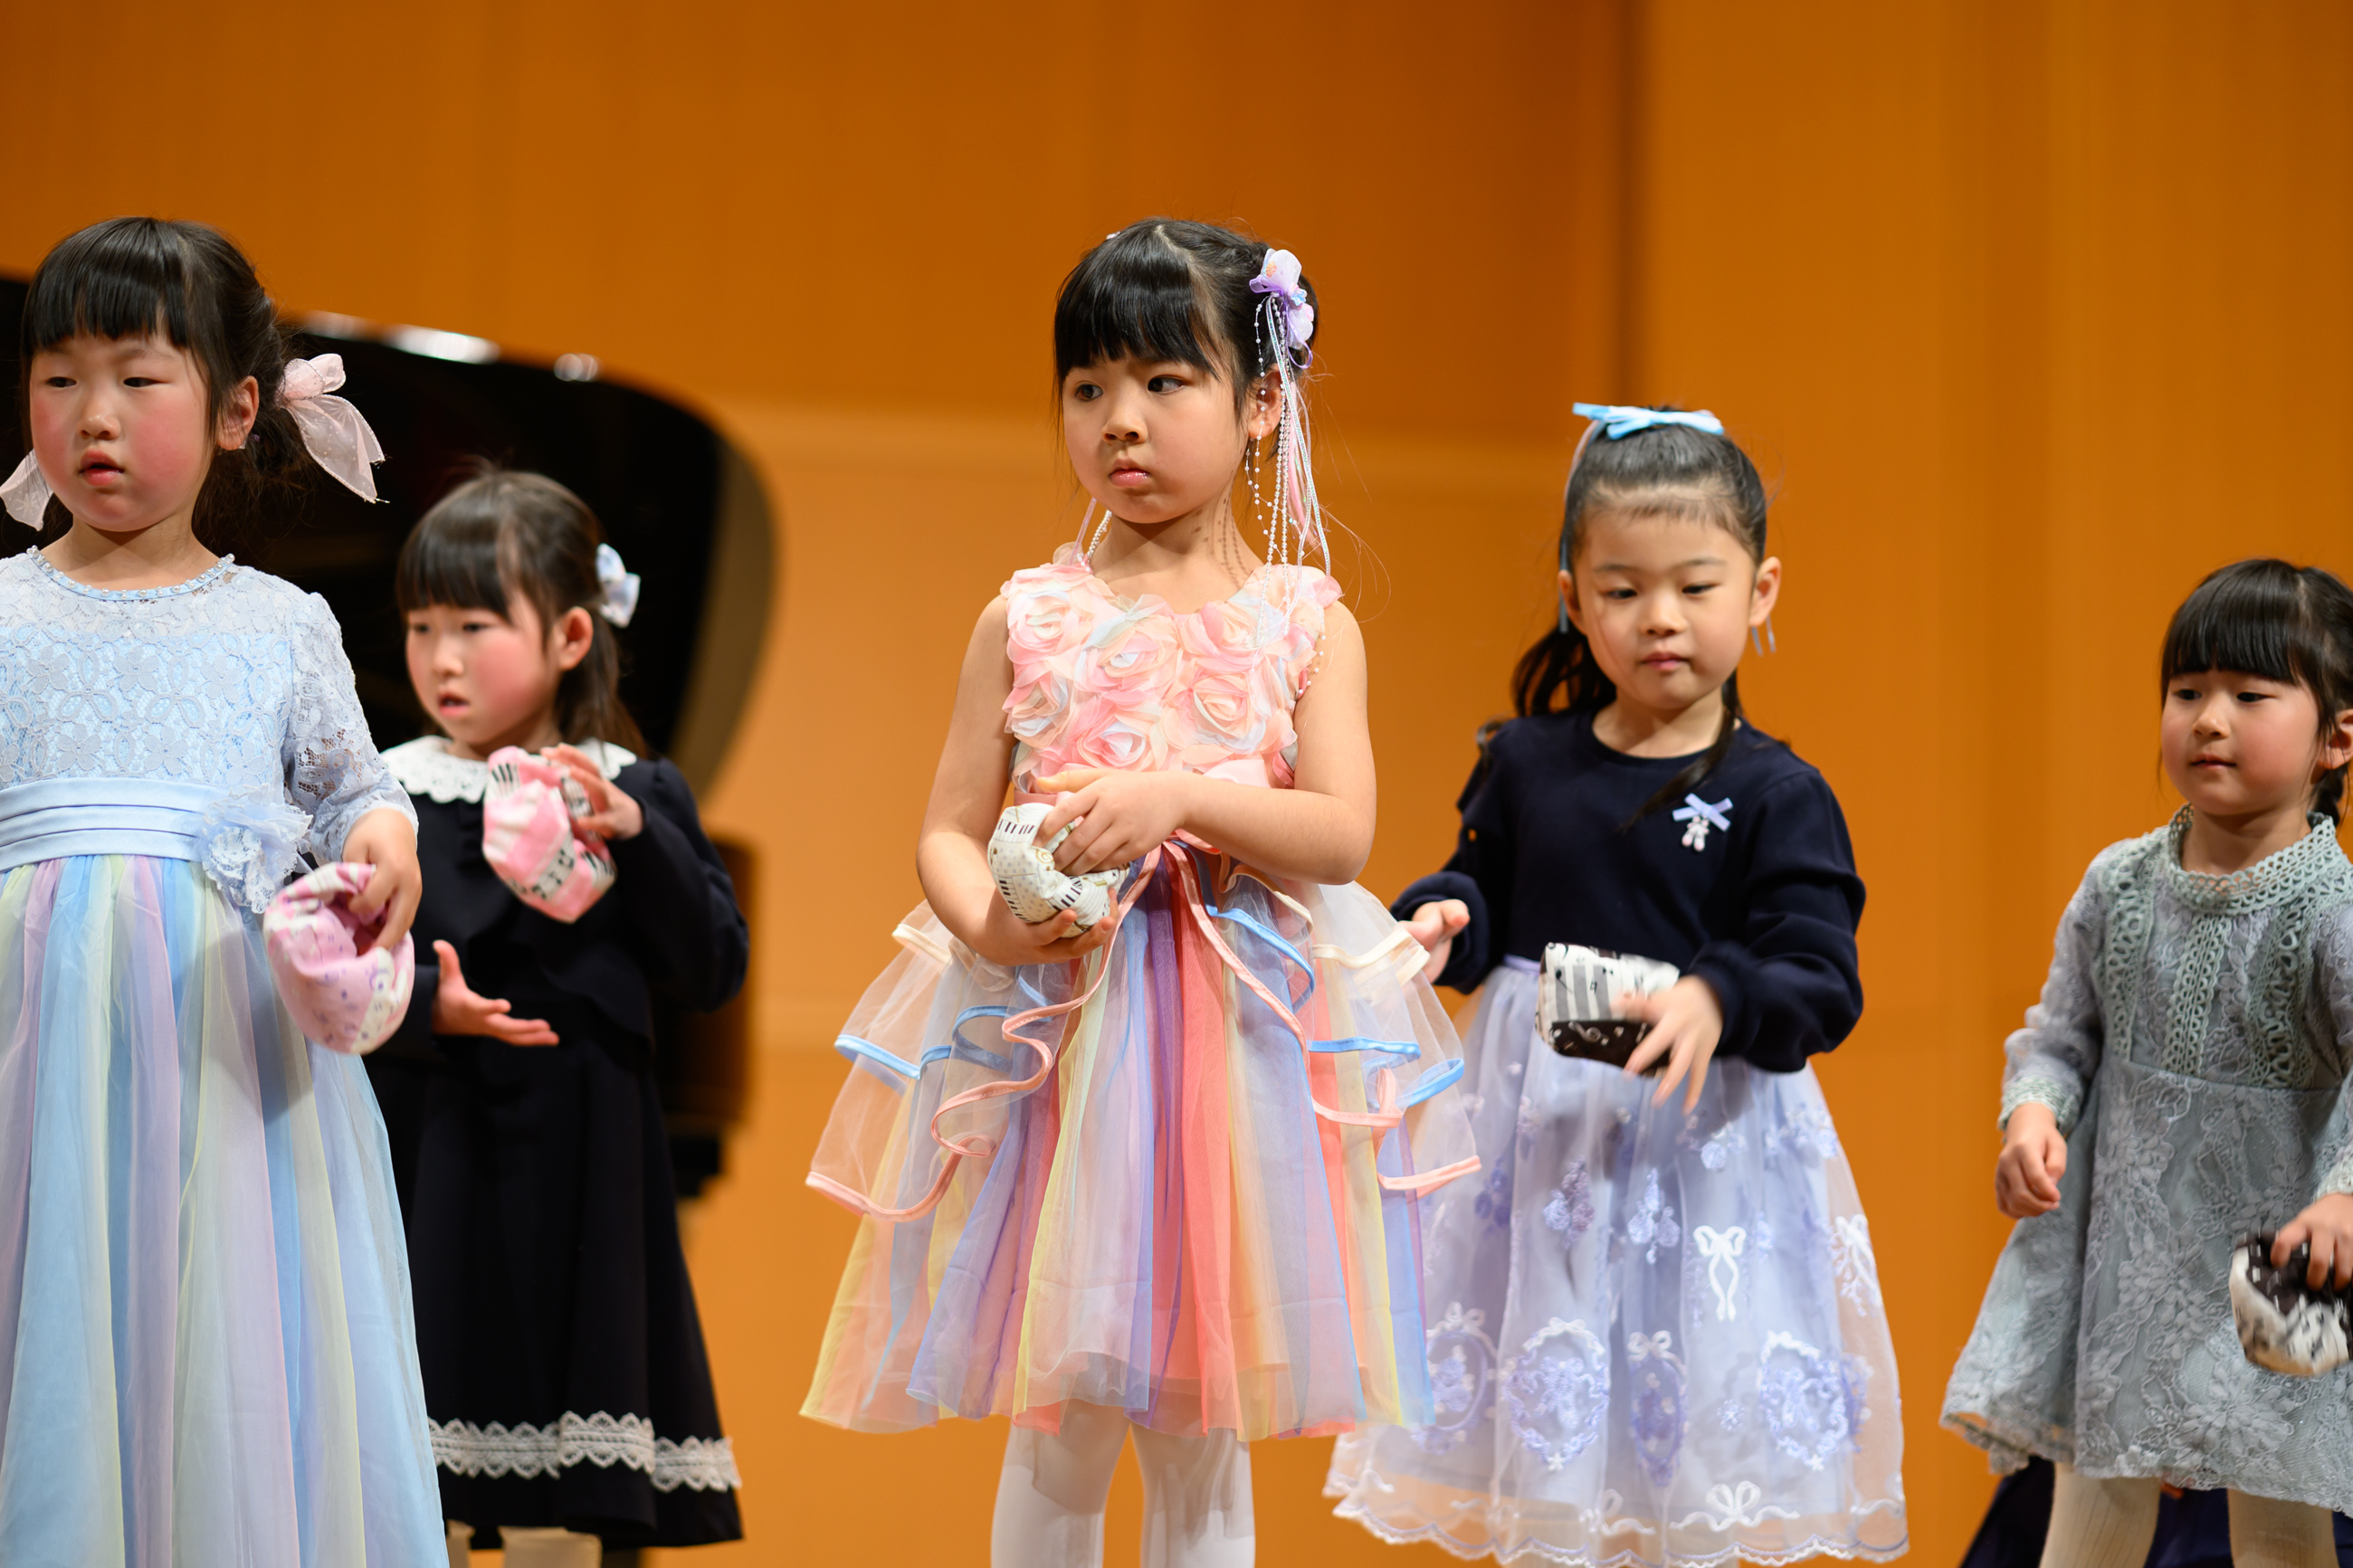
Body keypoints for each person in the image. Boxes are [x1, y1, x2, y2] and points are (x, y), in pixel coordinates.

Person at [801, 218, 1480, 1568]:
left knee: (1200, 1423)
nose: (1122, 420)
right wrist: (995, 923)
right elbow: (945, 829)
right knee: (1058, 1420)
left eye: (1166, 383)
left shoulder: (1304, 618)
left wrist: (1179, 797)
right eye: (1089, 387)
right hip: (1067, 1038)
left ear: (1261, 404)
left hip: (1236, 1060)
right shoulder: (1027, 614)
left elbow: (1340, 832)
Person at [1326, 404, 1906, 1563]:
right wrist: (1446, 916)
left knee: (1676, 1472)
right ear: (1572, 596)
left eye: (1695, 586)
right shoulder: (1526, 761)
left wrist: (1714, 996)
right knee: (1545, 1472)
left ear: (1761, 589)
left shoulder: (1776, 790)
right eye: (1622, 588)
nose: (1659, 620)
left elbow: (1817, 973)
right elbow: (1488, 892)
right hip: (1537, 1161)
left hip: (1698, 1167)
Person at [0, 216, 442, 1561]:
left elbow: (357, 792)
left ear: (239, 408)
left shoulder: (281, 623)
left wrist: (386, 854)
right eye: (61, 377)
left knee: (221, 1357)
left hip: (222, 1061)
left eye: (139, 379)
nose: (94, 418)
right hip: (29, 1048)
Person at [370, 470, 747, 1567]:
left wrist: (633, 829)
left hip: (580, 1184)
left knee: (563, 1501)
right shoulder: (384, 795)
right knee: (408, 1468)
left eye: (474, 625)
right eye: (420, 627)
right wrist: (423, 1010)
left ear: (573, 632)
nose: (440, 658)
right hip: (427, 1162)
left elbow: (710, 966)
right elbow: (322, 980)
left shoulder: (635, 790)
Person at [1944, 558, 2353, 1568]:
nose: (2207, 718)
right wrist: (2032, 1114)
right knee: (2092, 1505)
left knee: (2278, 1521)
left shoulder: (2333, 912)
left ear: (2336, 737)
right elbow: (2059, 1032)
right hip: (2125, 1260)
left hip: (2275, 1264)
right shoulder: (2116, 881)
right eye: (2185, 693)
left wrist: (2342, 1199)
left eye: (2248, 695)